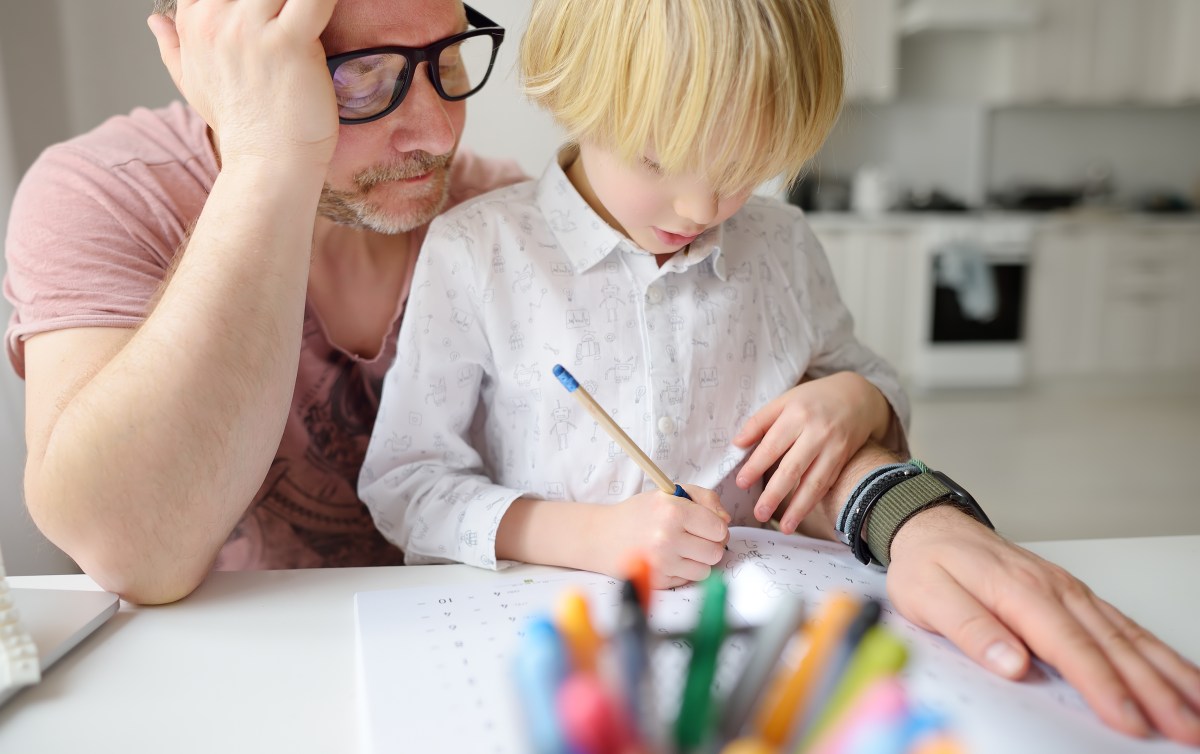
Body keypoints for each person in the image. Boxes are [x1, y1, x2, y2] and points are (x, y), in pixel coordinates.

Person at [359, 0, 1200, 745]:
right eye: (658, 161)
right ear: (580, 93)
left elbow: (864, 378)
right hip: (550, 643)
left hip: (763, 641)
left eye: (738, 173)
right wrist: (588, 535)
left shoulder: (783, 243)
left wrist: (856, 397)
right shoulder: (478, 252)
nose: (697, 209)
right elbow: (405, 483)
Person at [2, 0, 525, 605]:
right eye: (359, 78)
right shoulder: (108, 195)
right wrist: (266, 158)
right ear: (214, 58)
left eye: (450, 60)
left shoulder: (498, 215)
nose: (438, 135)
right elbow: (133, 556)